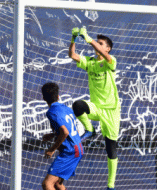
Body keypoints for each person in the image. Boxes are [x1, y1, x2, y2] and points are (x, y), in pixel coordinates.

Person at [69, 27, 121, 190]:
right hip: (96, 108)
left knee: (111, 149)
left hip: (111, 110)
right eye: (97, 43)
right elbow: (72, 55)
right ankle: (89, 129)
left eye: (100, 44)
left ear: (108, 48)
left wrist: (89, 38)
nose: (97, 45)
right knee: (78, 105)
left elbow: (104, 55)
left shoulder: (110, 61)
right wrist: (73, 39)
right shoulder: (90, 62)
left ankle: (110, 186)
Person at [41, 82, 84, 190]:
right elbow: (74, 130)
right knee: (58, 184)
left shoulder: (51, 112)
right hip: (78, 149)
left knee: (47, 184)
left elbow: (65, 132)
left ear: (44, 98)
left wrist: (52, 149)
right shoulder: (66, 109)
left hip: (70, 151)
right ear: (58, 96)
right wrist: (53, 134)